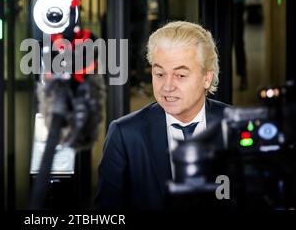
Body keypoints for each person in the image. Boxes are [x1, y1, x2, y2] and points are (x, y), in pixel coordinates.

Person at [95, 21, 229, 210]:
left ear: (207, 78)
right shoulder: (125, 135)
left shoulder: (235, 127)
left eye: (180, 75)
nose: (167, 87)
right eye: (159, 74)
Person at [129, 0, 154, 91]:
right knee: (127, 47)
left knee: (140, 49)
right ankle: (130, 80)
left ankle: (139, 81)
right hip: (127, 14)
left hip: (141, 14)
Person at [232, 0, 251, 91]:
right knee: (222, 44)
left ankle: (243, 76)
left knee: (238, 42)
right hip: (224, 9)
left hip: (237, 8)